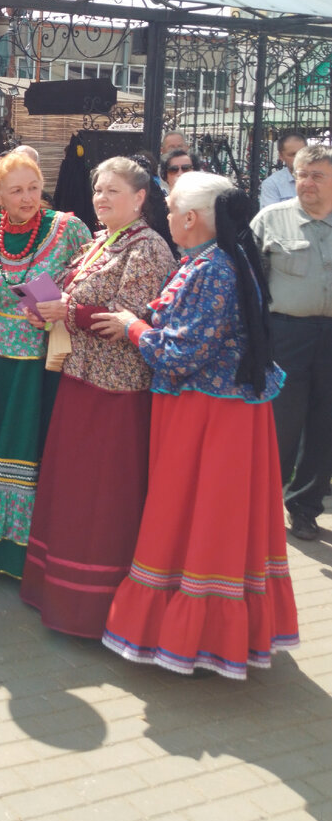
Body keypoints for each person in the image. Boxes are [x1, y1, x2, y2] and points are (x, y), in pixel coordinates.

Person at [97, 173, 299, 679]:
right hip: (217, 413)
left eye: (169, 210)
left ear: (190, 219)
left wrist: (131, 326)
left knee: (198, 519)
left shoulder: (212, 269)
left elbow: (182, 352)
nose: (165, 219)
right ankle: (212, 635)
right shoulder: (214, 261)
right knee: (211, 521)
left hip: (209, 418)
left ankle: (198, 638)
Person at [19, 157, 177, 636]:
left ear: (140, 197)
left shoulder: (147, 248)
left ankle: (94, 606)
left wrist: (66, 310)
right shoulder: (100, 240)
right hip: (80, 375)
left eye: (112, 191)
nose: (102, 199)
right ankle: (55, 589)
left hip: (116, 388)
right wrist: (42, 306)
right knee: (72, 487)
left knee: (100, 496)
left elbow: (124, 318)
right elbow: (73, 296)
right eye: (97, 191)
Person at [0, 151, 91, 580]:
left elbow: (89, 280)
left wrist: (64, 306)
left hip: (46, 360)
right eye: (17, 190)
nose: (28, 198)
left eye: (34, 188)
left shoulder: (68, 228)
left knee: (35, 443)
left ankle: (36, 548)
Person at [252, 142, 332, 541]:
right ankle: (265, 504)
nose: (307, 183)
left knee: (324, 425)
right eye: (302, 174)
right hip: (286, 334)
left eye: (317, 175)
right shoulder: (270, 220)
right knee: (280, 424)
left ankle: (304, 508)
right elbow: (248, 283)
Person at [259, 132, 308, 209]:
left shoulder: (324, 178)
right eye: (292, 154)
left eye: (302, 153)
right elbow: (271, 217)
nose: (299, 158)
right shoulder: (272, 184)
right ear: (281, 156)